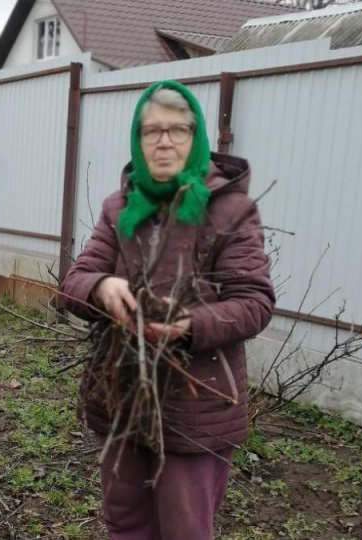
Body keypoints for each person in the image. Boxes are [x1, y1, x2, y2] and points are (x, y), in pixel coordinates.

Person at [59, 80, 275, 540]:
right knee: (126, 523)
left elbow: (254, 302)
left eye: (178, 130)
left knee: (185, 530)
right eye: (151, 131)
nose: (163, 142)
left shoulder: (230, 211)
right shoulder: (119, 209)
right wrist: (101, 287)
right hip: (121, 394)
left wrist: (190, 326)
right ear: (137, 139)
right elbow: (73, 283)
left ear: (196, 138)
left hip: (196, 404)